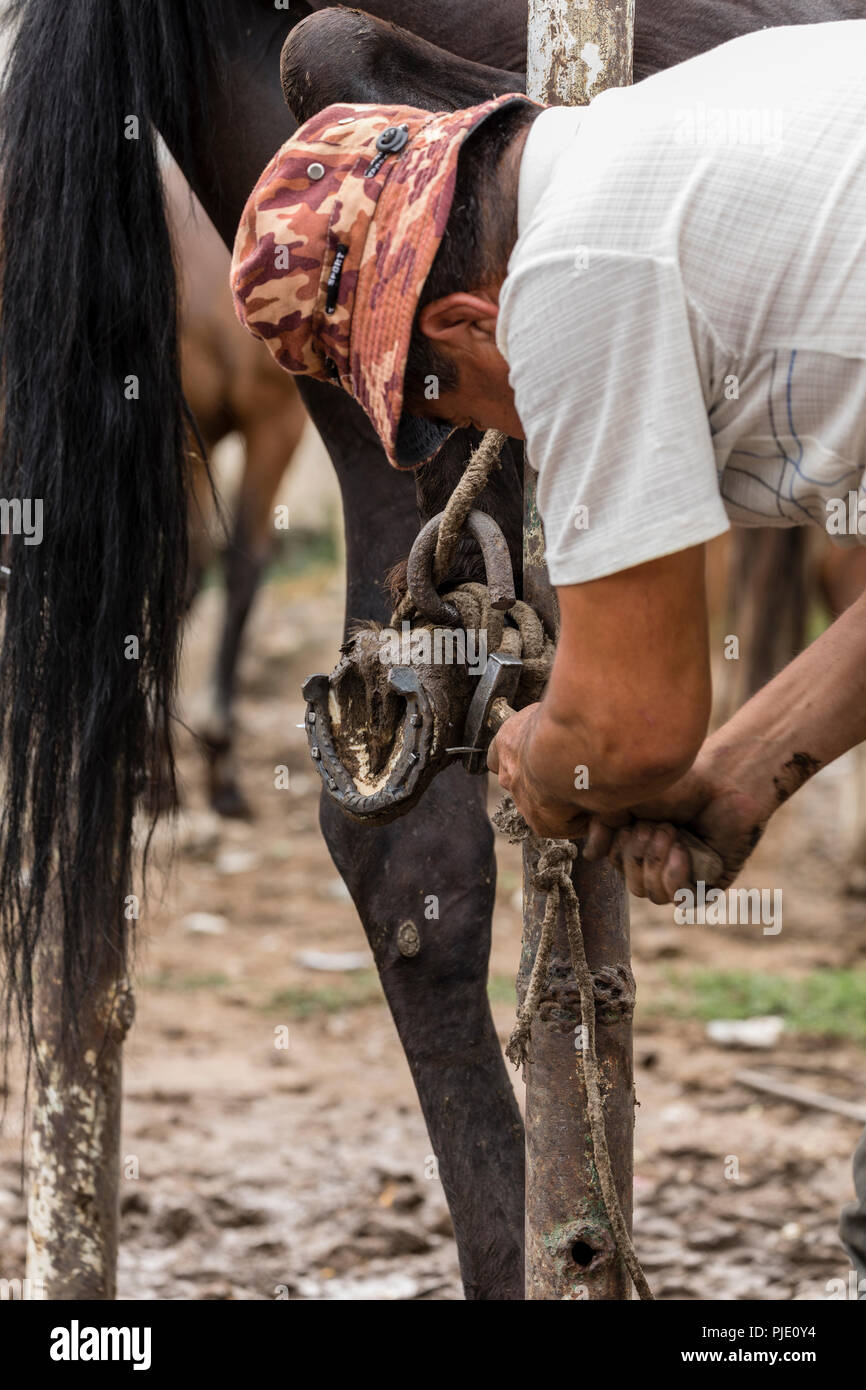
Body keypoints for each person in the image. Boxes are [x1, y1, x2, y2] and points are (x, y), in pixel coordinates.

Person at [231, 18, 866, 1286]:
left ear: (465, 321)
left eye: (435, 402)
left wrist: (539, 751)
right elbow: (684, 742)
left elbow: (626, 731)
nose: (465, 435)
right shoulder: (677, 146)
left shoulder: (574, 278)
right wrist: (745, 769)